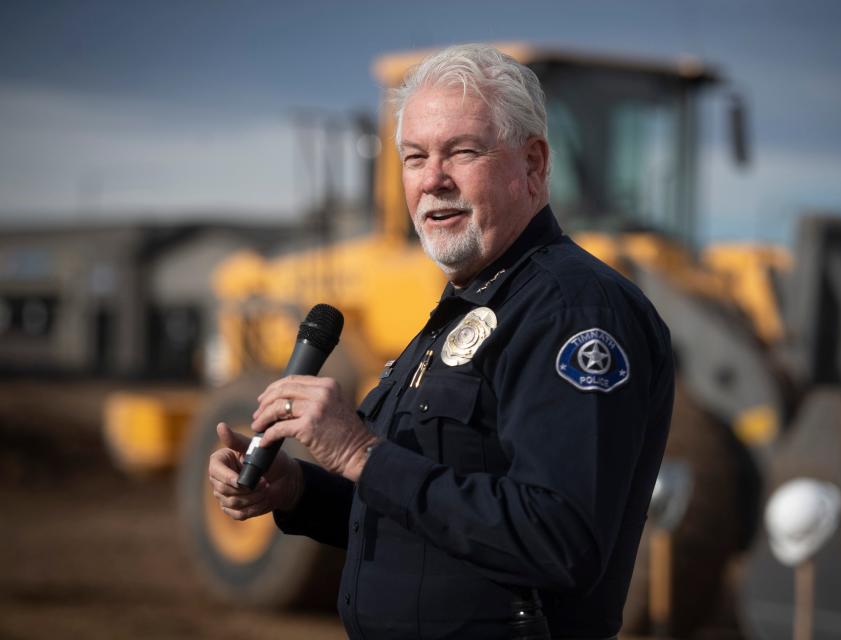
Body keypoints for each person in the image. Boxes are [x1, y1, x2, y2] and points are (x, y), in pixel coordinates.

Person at [209, 43, 674, 639]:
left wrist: (361, 454)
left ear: (533, 164)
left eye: (463, 151)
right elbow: (430, 518)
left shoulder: (572, 311)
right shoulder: (466, 308)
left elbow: (558, 540)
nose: (433, 179)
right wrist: (299, 489)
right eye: (414, 157)